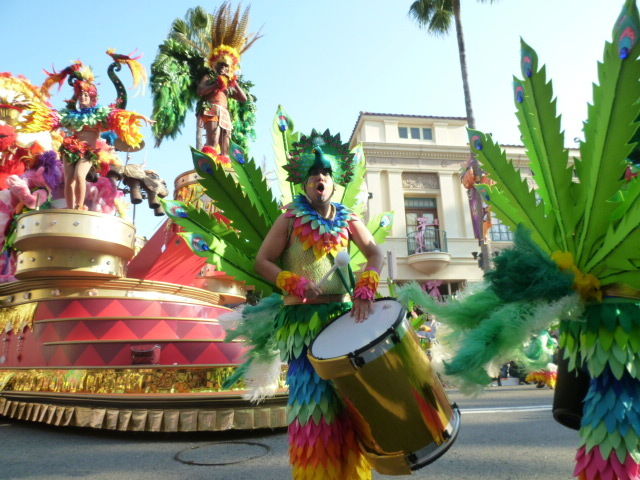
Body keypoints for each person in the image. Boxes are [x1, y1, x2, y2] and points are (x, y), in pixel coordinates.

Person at [255, 144, 383, 479]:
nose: (320, 179)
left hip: (342, 319)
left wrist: (365, 288)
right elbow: (262, 261)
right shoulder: (290, 218)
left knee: (351, 405)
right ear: (304, 184)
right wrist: (292, 282)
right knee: (314, 410)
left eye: (325, 174)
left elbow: (375, 253)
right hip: (302, 324)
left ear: (334, 182)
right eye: (314, 176)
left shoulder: (348, 218)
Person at [197, 59, 248, 160]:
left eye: (226, 66)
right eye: (220, 65)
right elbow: (200, 91)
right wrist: (216, 85)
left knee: (225, 147)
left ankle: (224, 165)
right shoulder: (208, 78)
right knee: (213, 141)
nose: (223, 68)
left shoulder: (228, 84)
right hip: (212, 109)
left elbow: (243, 98)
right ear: (215, 66)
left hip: (225, 113)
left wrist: (233, 82)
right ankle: (208, 162)